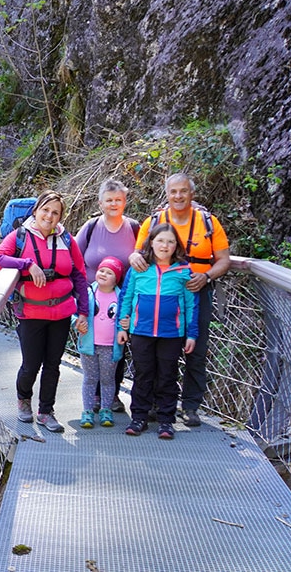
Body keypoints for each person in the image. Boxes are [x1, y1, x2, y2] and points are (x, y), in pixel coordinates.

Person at [128, 173, 230, 427]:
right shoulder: (154, 222)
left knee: (196, 349)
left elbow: (224, 260)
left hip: (197, 292)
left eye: (183, 191)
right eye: (173, 192)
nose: (178, 196)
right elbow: (138, 254)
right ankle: (152, 405)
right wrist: (132, 259)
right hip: (158, 294)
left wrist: (206, 276)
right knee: (153, 351)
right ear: (167, 194)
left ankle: (191, 406)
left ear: (192, 194)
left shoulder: (208, 222)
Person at [0, 190, 90, 433]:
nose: (49, 215)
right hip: (31, 313)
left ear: (60, 217)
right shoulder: (20, 236)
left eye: (55, 212)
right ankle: (24, 400)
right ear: (36, 211)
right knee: (31, 364)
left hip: (62, 313)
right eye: (45, 210)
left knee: (53, 365)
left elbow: (79, 275)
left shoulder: (67, 240)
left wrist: (84, 311)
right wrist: (26, 264)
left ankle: (46, 411)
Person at [118, 224, 198, 440]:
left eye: (170, 241)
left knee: (167, 376)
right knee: (143, 375)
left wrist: (192, 334)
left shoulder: (183, 271)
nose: (165, 245)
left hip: (171, 334)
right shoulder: (139, 269)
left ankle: (166, 420)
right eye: (161, 240)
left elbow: (191, 304)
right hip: (141, 331)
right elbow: (126, 297)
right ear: (151, 242)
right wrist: (121, 327)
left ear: (176, 246)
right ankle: (139, 417)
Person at [75, 178, 140, 413]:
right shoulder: (91, 227)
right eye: (109, 200)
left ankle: (111, 395)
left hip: (123, 300)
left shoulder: (133, 228)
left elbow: (147, 258)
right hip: (92, 300)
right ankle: (93, 395)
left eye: (118, 200)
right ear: (101, 202)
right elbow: (74, 258)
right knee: (92, 343)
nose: (114, 204)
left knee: (117, 346)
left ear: (124, 201)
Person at [76, 256, 125, 429]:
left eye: (109, 272)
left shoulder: (121, 297)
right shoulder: (87, 293)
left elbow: (125, 318)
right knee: (90, 378)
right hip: (89, 345)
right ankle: (87, 411)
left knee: (107, 379)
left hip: (110, 347)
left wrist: (124, 327)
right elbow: (76, 313)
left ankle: (106, 409)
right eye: (101, 270)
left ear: (116, 278)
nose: (103, 274)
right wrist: (77, 323)